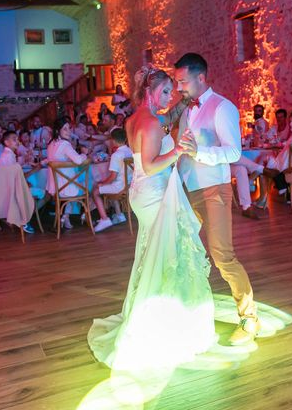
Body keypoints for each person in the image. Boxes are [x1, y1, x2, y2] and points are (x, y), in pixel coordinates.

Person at [88, 63, 215, 373]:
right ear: (149, 90)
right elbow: (151, 163)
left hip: (141, 194)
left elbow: (153, 138)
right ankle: (163, 321)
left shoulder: (135, 119)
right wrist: (180, 151)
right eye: (165, 92)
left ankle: (154, 311)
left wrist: (183, 105)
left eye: (172, 93)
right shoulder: (151, 122)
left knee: (154, 252)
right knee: (170, 254)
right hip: (155, 193)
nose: (169, 98)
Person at [174, 52, 258, 344]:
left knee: (222, 256)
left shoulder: (223, 107)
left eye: (182, 82)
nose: (179, 88)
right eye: (176, 82)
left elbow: (235, 152)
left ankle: (249, 317)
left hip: (215, 190)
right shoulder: (186, 110)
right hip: (189, 188)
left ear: (201, 78)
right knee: (186, 251)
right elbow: (183, 148)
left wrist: (200, 153)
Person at [255, 110, 292, 208]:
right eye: (290, 121)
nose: (290, 124)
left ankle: (264, 193)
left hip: (290, 168)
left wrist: (278, 154)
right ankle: (269, 189)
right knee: (264, 164)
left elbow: (289, 151)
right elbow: (289, 147)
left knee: (263, 168)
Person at [45, 117, 89, 230]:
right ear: (57, 131)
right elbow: (79, 161)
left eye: (69, 128)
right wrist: (85, 153)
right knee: (91, 186)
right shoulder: (65, 144)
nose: (69, 132)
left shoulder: (51, 144)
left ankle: (65, 217)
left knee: (75, 182)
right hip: (66, 188)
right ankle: (88, 217)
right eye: (65, 129)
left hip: (55, 187)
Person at [91, 128, 133, 232]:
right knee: (108, 185)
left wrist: (101, 183)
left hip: (119, 187)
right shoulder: (130, 151)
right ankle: (119, 215)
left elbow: (113, 177)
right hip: (130, 184)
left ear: (113, 140)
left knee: (95, 191)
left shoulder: (116, 155)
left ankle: (104, 219)